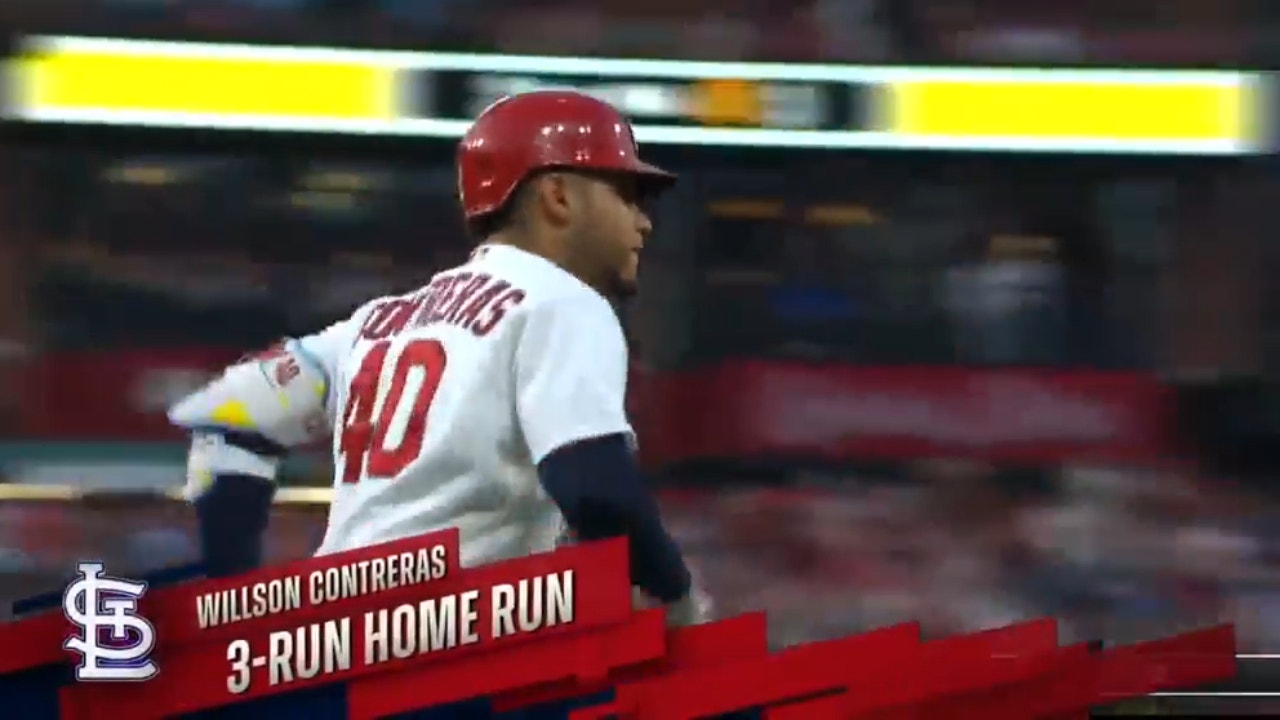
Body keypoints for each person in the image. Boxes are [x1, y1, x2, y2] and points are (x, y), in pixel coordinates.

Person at [167, 90, 707, 623]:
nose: (644, 222)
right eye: (626, 196)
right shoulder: (563, 302)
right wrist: (678, 602)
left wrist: (231, 588)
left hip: (322, 652)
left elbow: (225, 415)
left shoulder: (375, 323)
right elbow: (595, 488)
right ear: (558, 197)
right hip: (438, 659)